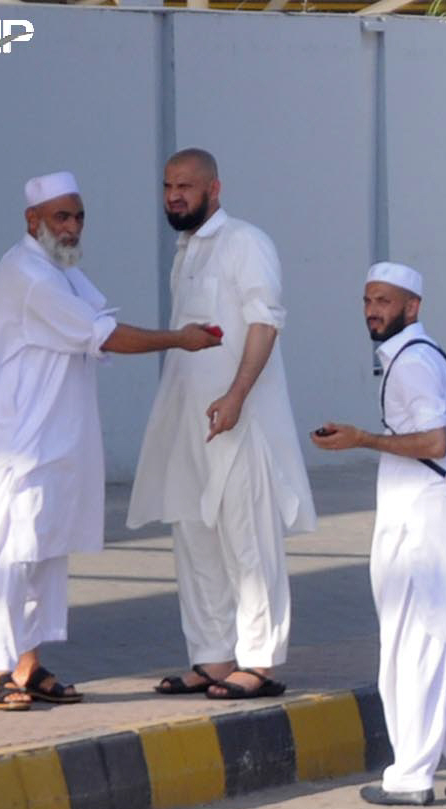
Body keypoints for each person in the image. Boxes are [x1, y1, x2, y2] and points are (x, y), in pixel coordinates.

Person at [0, 172, 220, 711]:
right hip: (18, 443)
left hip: (51, 439)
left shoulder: (56, 272)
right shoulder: (28, 275)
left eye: (78, 217)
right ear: (33, 221)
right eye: (61, 218)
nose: (72, 228)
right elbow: (106, 335)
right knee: (9, 554)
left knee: (44, 550)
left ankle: (27, 663)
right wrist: (181, 339)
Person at [312, 262, 446, 804]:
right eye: (368, 300)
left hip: (422, 528)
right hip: (445, 522)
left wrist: (361, 439)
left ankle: (412, 775)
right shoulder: (418, 357)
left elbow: (434, 442)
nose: (374, 310)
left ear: (412, 307)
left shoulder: (412, 364)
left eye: (385, 301)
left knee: (413, 647)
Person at [130, 148, 317, 700]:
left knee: (248, 540)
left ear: (215, 189)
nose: (174, 196)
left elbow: (265, 321)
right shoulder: (184, 251)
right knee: (194, 535)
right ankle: (212, 657)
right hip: (187, 420)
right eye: (168, 186)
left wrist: (236, 394)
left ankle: (258, 662)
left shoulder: (247, 243)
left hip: (241, 418)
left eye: (185, 186)